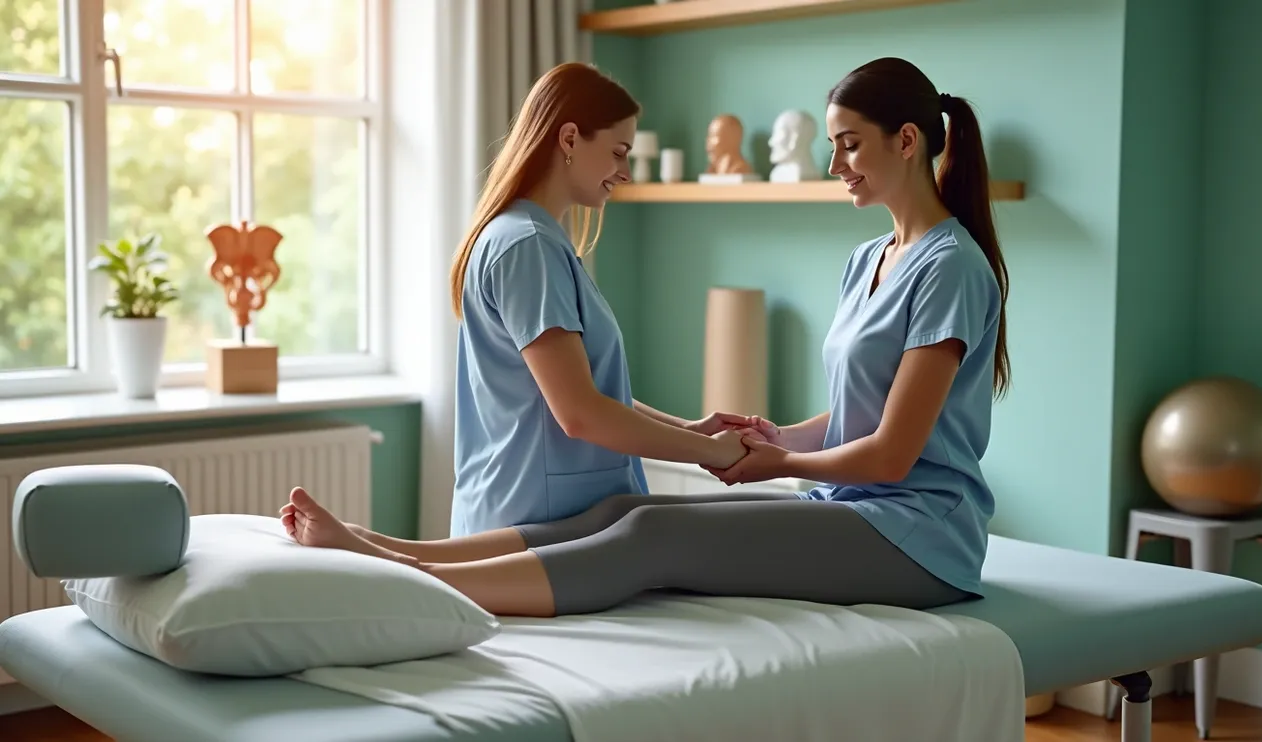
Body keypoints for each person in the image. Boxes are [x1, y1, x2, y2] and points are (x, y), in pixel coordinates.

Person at [280, 56, 1011, 620]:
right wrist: (779, 435)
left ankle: (414, 579)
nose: (834, 165)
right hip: (854, 510)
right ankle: (387, 549)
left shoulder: (950, 269)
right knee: (627, 512)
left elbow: (891, 451)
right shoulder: (868, 260)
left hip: (922, 535)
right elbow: (863, 411)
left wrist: (777, 460)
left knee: (656, 539)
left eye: (849, 145)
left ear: (907, 141)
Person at [423, 61, 763, 540]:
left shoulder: (532, 238)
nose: (624, 172)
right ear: (568, 140)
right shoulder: (527, 247)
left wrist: (690, 429)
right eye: (618, 152)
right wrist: (712, 453)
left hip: (539, 510)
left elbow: (590, 390)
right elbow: (580, 413)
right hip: (536, 518)